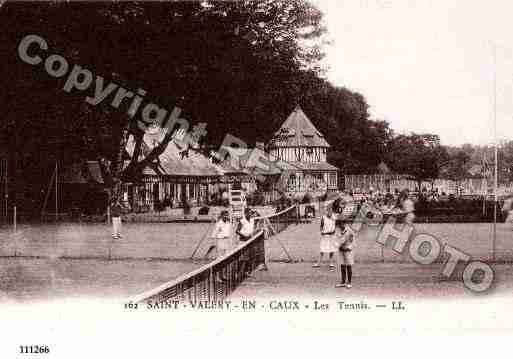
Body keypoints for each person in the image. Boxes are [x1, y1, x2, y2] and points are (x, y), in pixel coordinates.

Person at [313, 204, 337, 269]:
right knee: (322, 250)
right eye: (328, 211)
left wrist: (334, 231)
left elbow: (336, 225)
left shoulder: (334, 217)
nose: (330, 212)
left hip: (332, 236)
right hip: (325, 236)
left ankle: (331, 263)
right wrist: (321, 232)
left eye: (331, 211)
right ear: (326, 211)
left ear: (332, 211)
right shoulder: (323, 217)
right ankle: (318, 263)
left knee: (332, 249)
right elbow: (321, 226)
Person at [335, 220, 356, 288]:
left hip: (348, 251)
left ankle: (349, 282)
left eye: (342, 224)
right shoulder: (338, 231)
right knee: (342, 266)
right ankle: (343, 282)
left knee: (349, 266)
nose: (340, 226)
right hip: (341, 250)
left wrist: (348, 248)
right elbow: (336, 240)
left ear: (344, 223)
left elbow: (353, 242)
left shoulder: (349, 231)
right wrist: (338, 246)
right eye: (339, 225)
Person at [236, 208, 256, 276]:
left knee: (249, 257)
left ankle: (246, 272)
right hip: (243, 241)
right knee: (241, 258)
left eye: (251, 213)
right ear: (245, 213)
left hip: (250, 241)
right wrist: (244, 236)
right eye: (249, 213)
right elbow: (237, 231)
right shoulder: (242, 221)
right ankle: (237, 272)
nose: (250, 214)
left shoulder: (252, 220)